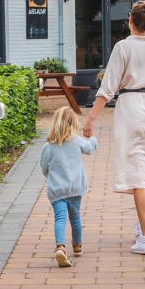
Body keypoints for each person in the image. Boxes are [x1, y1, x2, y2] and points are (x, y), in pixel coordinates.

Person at [83, 0, 145, 255]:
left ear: (130, 21)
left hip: (131, 107)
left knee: (138, 175)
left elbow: (108, 87)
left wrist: (91, 119)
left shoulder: (123, 47)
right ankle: (143, 225)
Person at [40, 106, 97, 267]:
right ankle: (77, 246)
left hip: (57, 190)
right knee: (75, 217)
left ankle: (60, 247)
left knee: (60, 218)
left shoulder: (48, 147)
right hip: (75, 189)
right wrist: (92, 137)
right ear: (74, 124)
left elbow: (44, 167)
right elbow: (90, 147)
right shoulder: (77, 142)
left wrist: (51, 177)